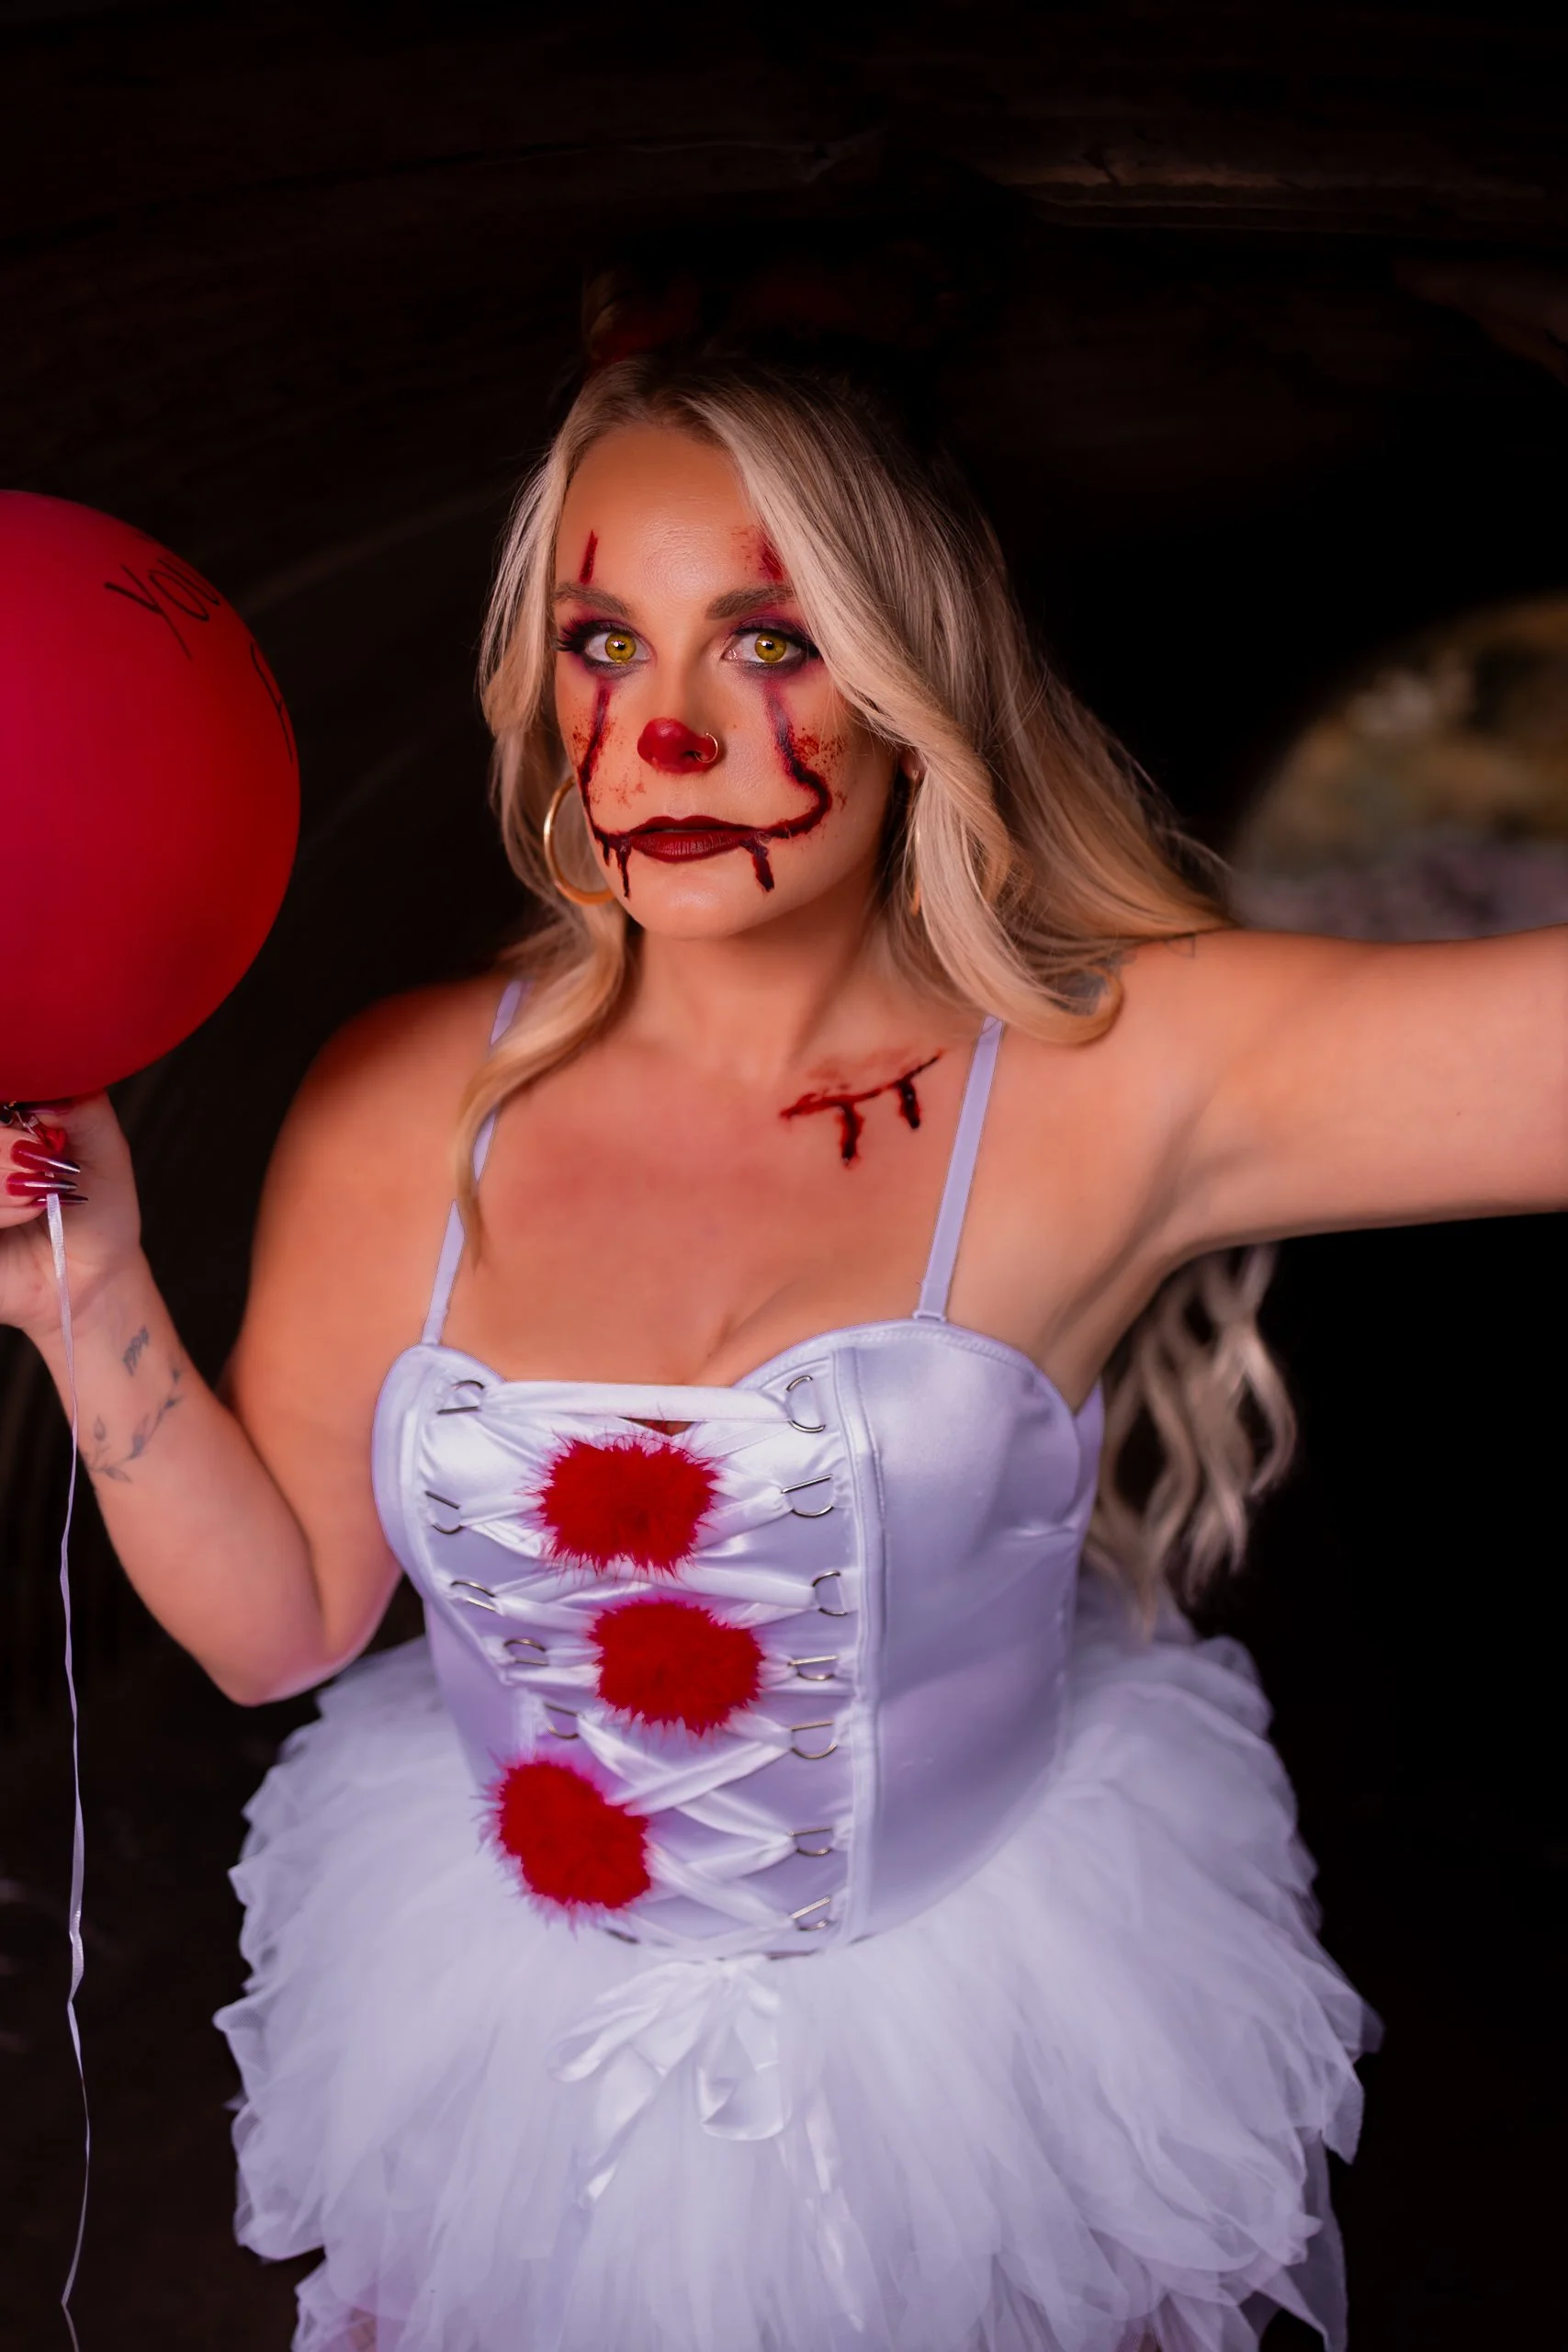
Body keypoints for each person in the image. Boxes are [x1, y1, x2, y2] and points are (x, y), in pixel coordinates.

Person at [2, 325, 1562, 2352]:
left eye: (767, 638)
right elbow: (279, 1618)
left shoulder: (1110, 1070)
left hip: (971, 2045)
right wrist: (81, 1287)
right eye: (598, 641)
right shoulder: (396, 1102)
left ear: (915, 686)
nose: (658, 733)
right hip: (518, 2066)